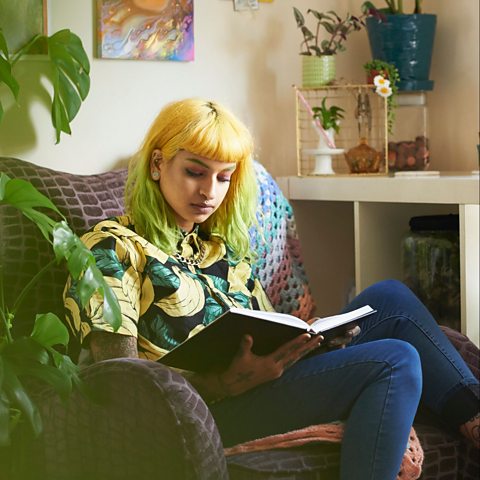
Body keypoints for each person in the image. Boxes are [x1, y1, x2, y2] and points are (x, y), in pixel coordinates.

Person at [64, 98, 479, 480]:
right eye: (194, 172)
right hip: (211, 409)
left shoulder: (219, 250)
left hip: (267, 384)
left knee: (391, 298)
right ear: (157, 164)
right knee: (396, 359)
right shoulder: (109, 248)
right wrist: (220, 384)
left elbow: (269, 327)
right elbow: (119, 380)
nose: (209, 191)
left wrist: (316, 339)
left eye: (224, 177)